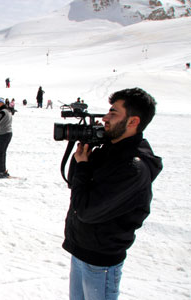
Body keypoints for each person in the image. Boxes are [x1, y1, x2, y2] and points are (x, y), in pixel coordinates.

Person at [63, 88, 163, 300]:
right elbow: (75, 183)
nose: (105, 118)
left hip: (101, 262)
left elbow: (85, 210)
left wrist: (83, 167)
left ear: (133, 121)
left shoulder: (132, 167)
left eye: (113, 113)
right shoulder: (110, 148)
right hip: (81, 250)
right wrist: (84, 153)